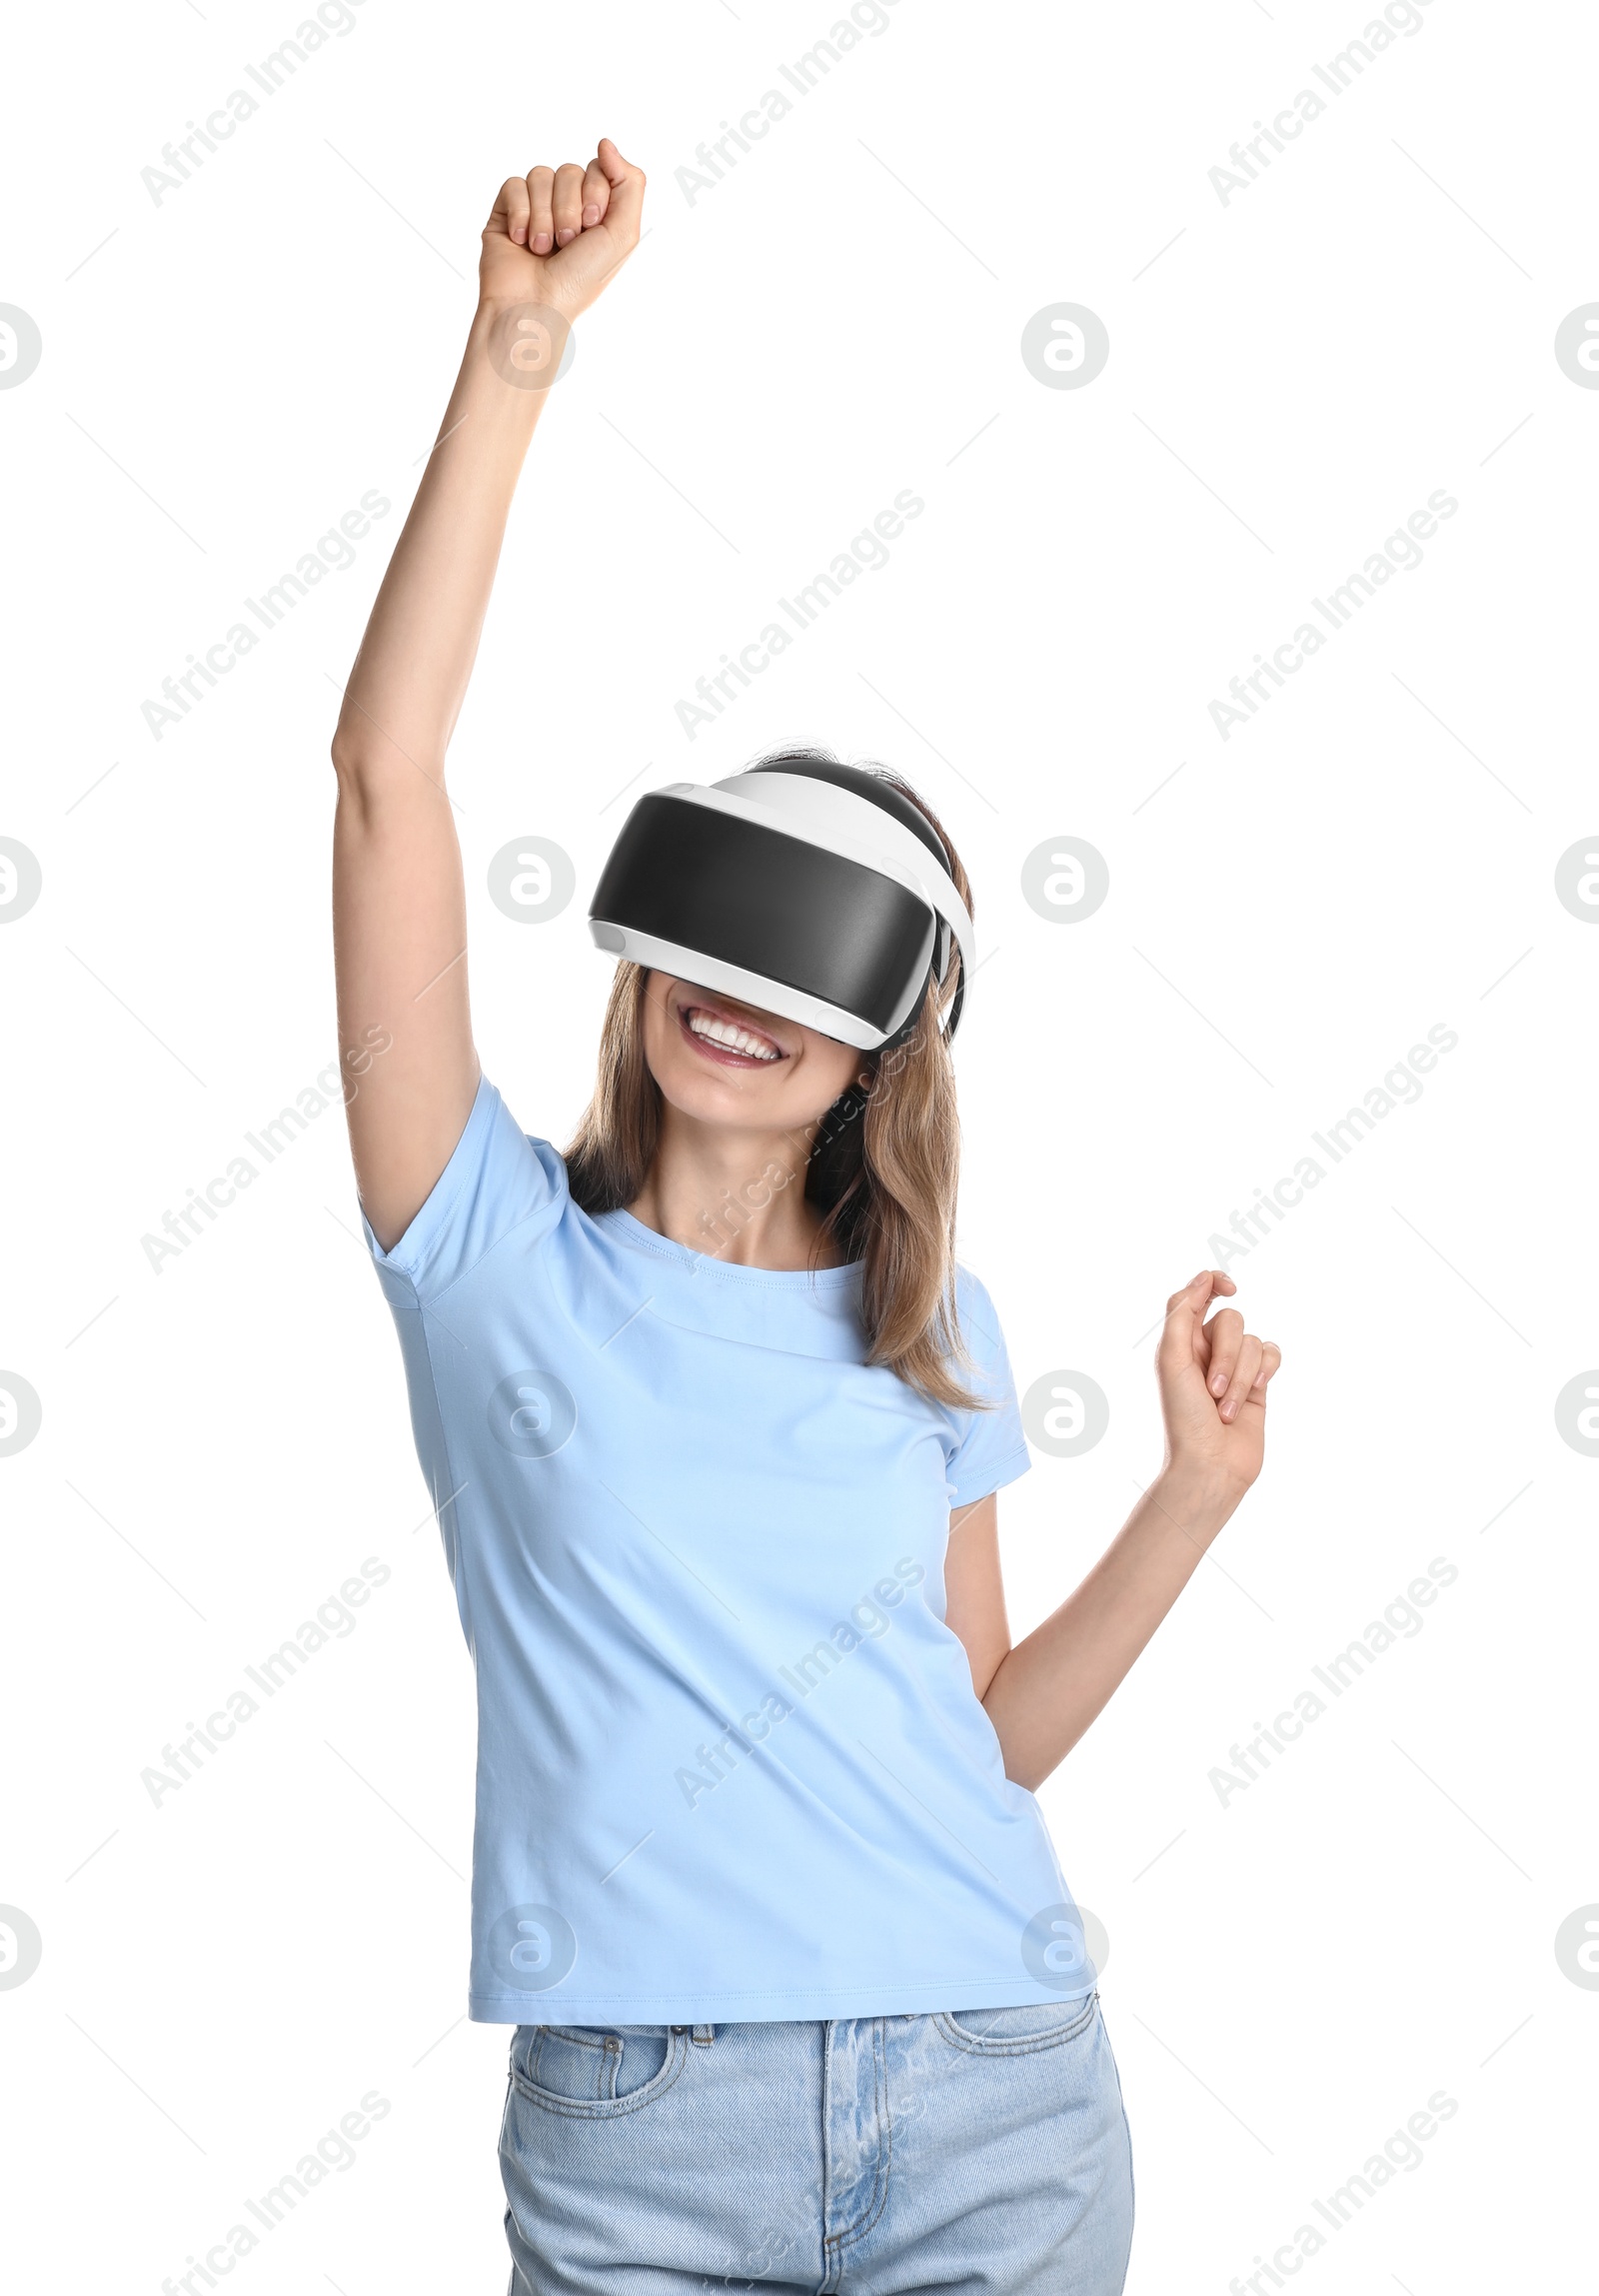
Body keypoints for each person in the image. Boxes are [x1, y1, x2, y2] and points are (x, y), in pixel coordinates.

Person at [330, 138, 1282, 2296]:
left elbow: (980, 1736)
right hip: (641, 2119)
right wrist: (517, 356)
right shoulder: (487, 1263)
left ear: (880, 1046)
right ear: (641, 957)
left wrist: (1188, 1504)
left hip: (990, 2083)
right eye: (710, 935)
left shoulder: (923, 1329)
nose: (739, 999)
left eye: (808, 973)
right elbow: (384, 775)